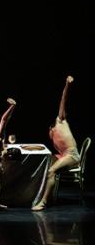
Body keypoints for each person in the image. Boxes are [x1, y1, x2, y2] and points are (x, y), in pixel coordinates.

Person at [33, 76, 80, 211]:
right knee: (46, 165)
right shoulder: (53, 135)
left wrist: (67, 84)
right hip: (67, 155)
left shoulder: (60, 120)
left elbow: (63, 99)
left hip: (72, 156)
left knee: (51, 170)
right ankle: (40, 194)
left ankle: (43, 202)